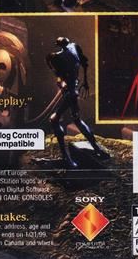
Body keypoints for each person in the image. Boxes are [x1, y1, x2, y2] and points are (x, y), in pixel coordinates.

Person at [45, 36, 107, 166]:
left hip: (69, 92)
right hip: (73, 90)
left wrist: (60, 80)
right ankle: (97, 149)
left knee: (54, 119)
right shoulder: (74, 47)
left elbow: (57, 72)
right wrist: (85, 82)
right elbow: (85, 64)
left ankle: (67, 159)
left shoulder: (56, 57)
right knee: (77, 119)